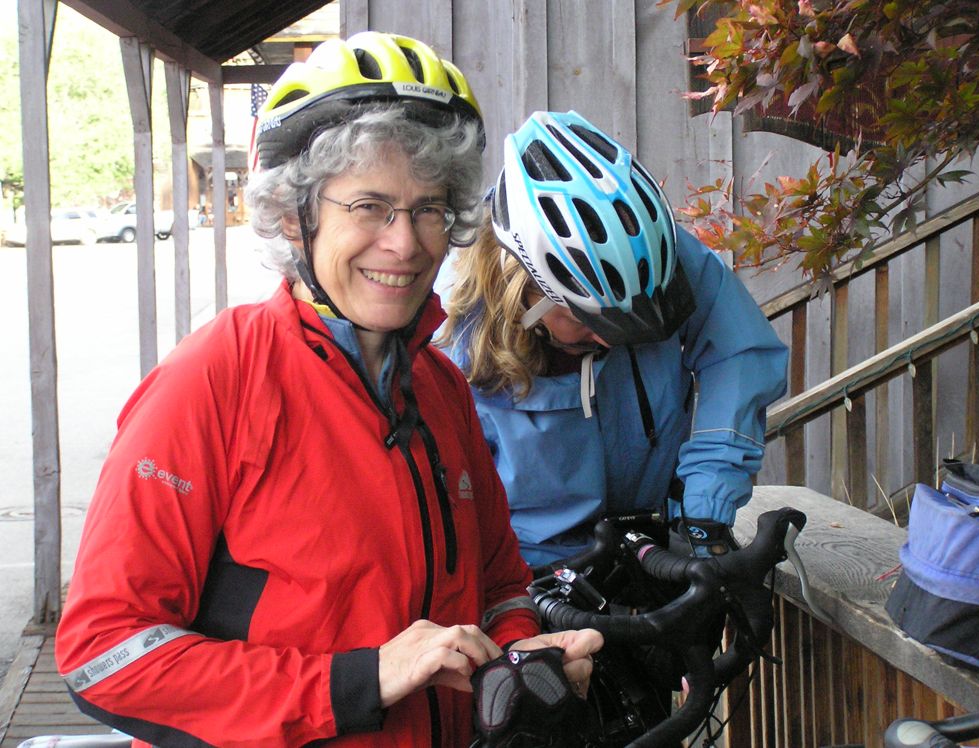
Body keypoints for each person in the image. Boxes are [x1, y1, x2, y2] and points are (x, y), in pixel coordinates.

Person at [55, 34, 601, 748]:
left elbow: (499, 586)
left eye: (429, 208)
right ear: (295, 216)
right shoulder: (216, 379)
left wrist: (521, 653)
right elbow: (104, 651)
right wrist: (359, 681)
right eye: (370, 206)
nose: (406, 244)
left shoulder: (439, 388)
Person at [440, 110, 789, 567]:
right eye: (590, 321)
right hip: (530, 568)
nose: (611, 344)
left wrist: (708, 503)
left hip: (652, 537)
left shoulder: (644, 252)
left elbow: (739, 353)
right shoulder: (451, 334)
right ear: (523, 294)